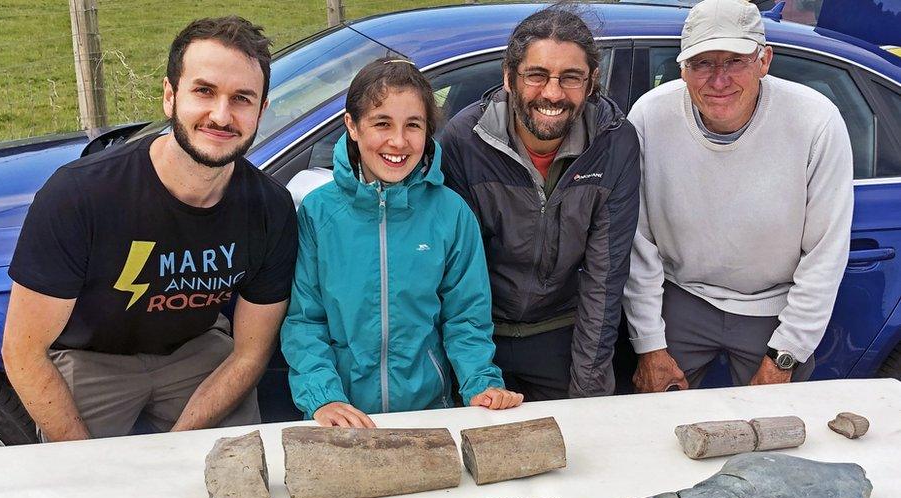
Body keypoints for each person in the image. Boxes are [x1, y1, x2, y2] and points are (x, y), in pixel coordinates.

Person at [2, 16, 298, 441]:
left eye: (242, 99)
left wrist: (175, 451)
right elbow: (23, 352)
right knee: (82, 494)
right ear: (169, 96)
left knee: (235, 477)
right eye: (204, 91)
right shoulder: (80, 194)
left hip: (196, 349)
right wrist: (86, 463)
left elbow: (251, 354)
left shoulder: (270, 207)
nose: (221, 114)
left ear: (261, 111)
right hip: (91, 357)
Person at [623, 0, 853, 392]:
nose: (718, 80)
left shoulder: (816, 120)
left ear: (764, 61)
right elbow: (636, 240)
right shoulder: (649, 116)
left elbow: (824, 254)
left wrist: (786, 353)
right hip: (681, 295)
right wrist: (649, 345)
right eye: (702, 64)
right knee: (653, 425)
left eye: (734, 61)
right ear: (682, 69)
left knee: (773, 432)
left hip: (775, 304)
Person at [281, 58, 523, 428]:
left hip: (429, 416)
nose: (398, 141)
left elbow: (466, 319)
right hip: (341, 419)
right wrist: (323, 398)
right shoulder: (318, 214)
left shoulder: (451, 214)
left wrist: (481, 384)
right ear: (352, 126)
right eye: (382, 123)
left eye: (413, 125)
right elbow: (304, 321)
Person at [440, 4, 641, 401]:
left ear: (592, 81)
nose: (552, 93)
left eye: (570, 78)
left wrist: (586, 393)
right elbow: (457, 274)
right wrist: (476, 374)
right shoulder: (466, 140)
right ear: (509, 78)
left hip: (562, 337)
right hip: (477, 339)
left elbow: (605, 277)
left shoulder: (614, 143)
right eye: (537, 75)